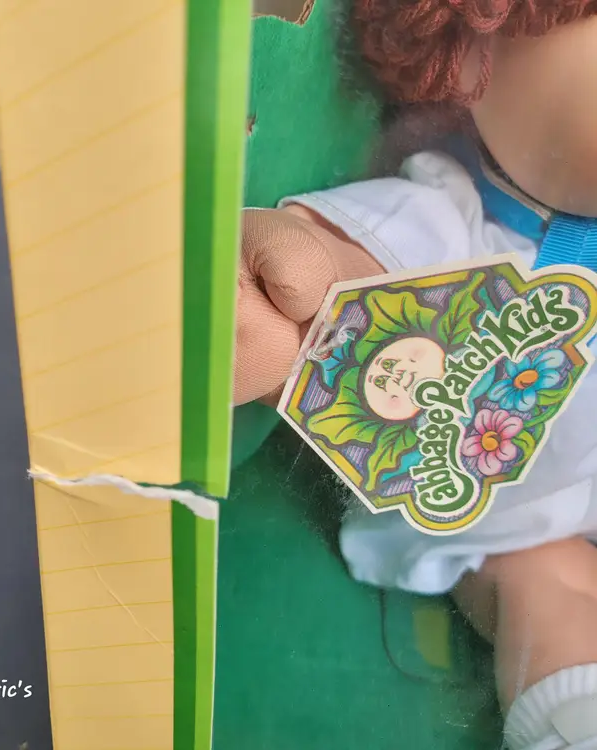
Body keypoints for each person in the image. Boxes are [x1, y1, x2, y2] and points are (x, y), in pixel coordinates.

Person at [234, 6, 597, 748]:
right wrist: (313, 276)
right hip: (520, 520)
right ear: (467, 57)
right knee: (550, 593)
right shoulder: (459, 224)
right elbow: (379, 272)